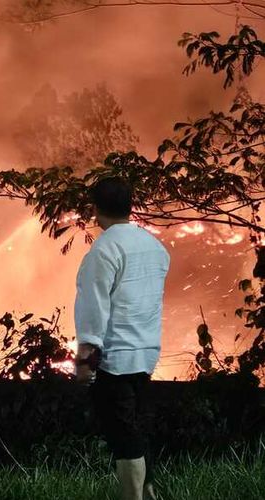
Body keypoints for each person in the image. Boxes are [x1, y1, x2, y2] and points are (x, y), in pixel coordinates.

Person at [74, 177, 170, 500]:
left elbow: (93, 309)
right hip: (146, 355)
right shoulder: (155, 247)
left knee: (124, 437)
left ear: (96, 210)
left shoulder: (103, 250)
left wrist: (86, 360)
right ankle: (149, 492)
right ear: (130, 206)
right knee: (136, 429)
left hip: (116, 360)